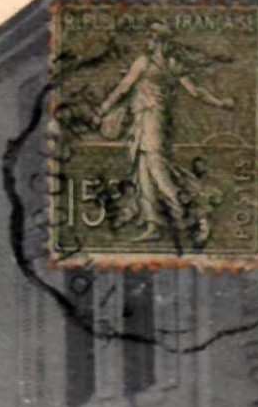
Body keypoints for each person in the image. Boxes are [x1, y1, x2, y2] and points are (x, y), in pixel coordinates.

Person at [95, 21, 235, 245]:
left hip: (151, 121)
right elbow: (196, 92)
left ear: (158, 41)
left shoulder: (145, 62)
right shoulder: (173, 64)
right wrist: (220, 103)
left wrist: (102, 110)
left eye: (151, 37)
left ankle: (198, 214)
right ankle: (154, 225)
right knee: (142, 174)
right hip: (145, 122)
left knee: (160, 173)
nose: (148, 41)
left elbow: (123, 88)